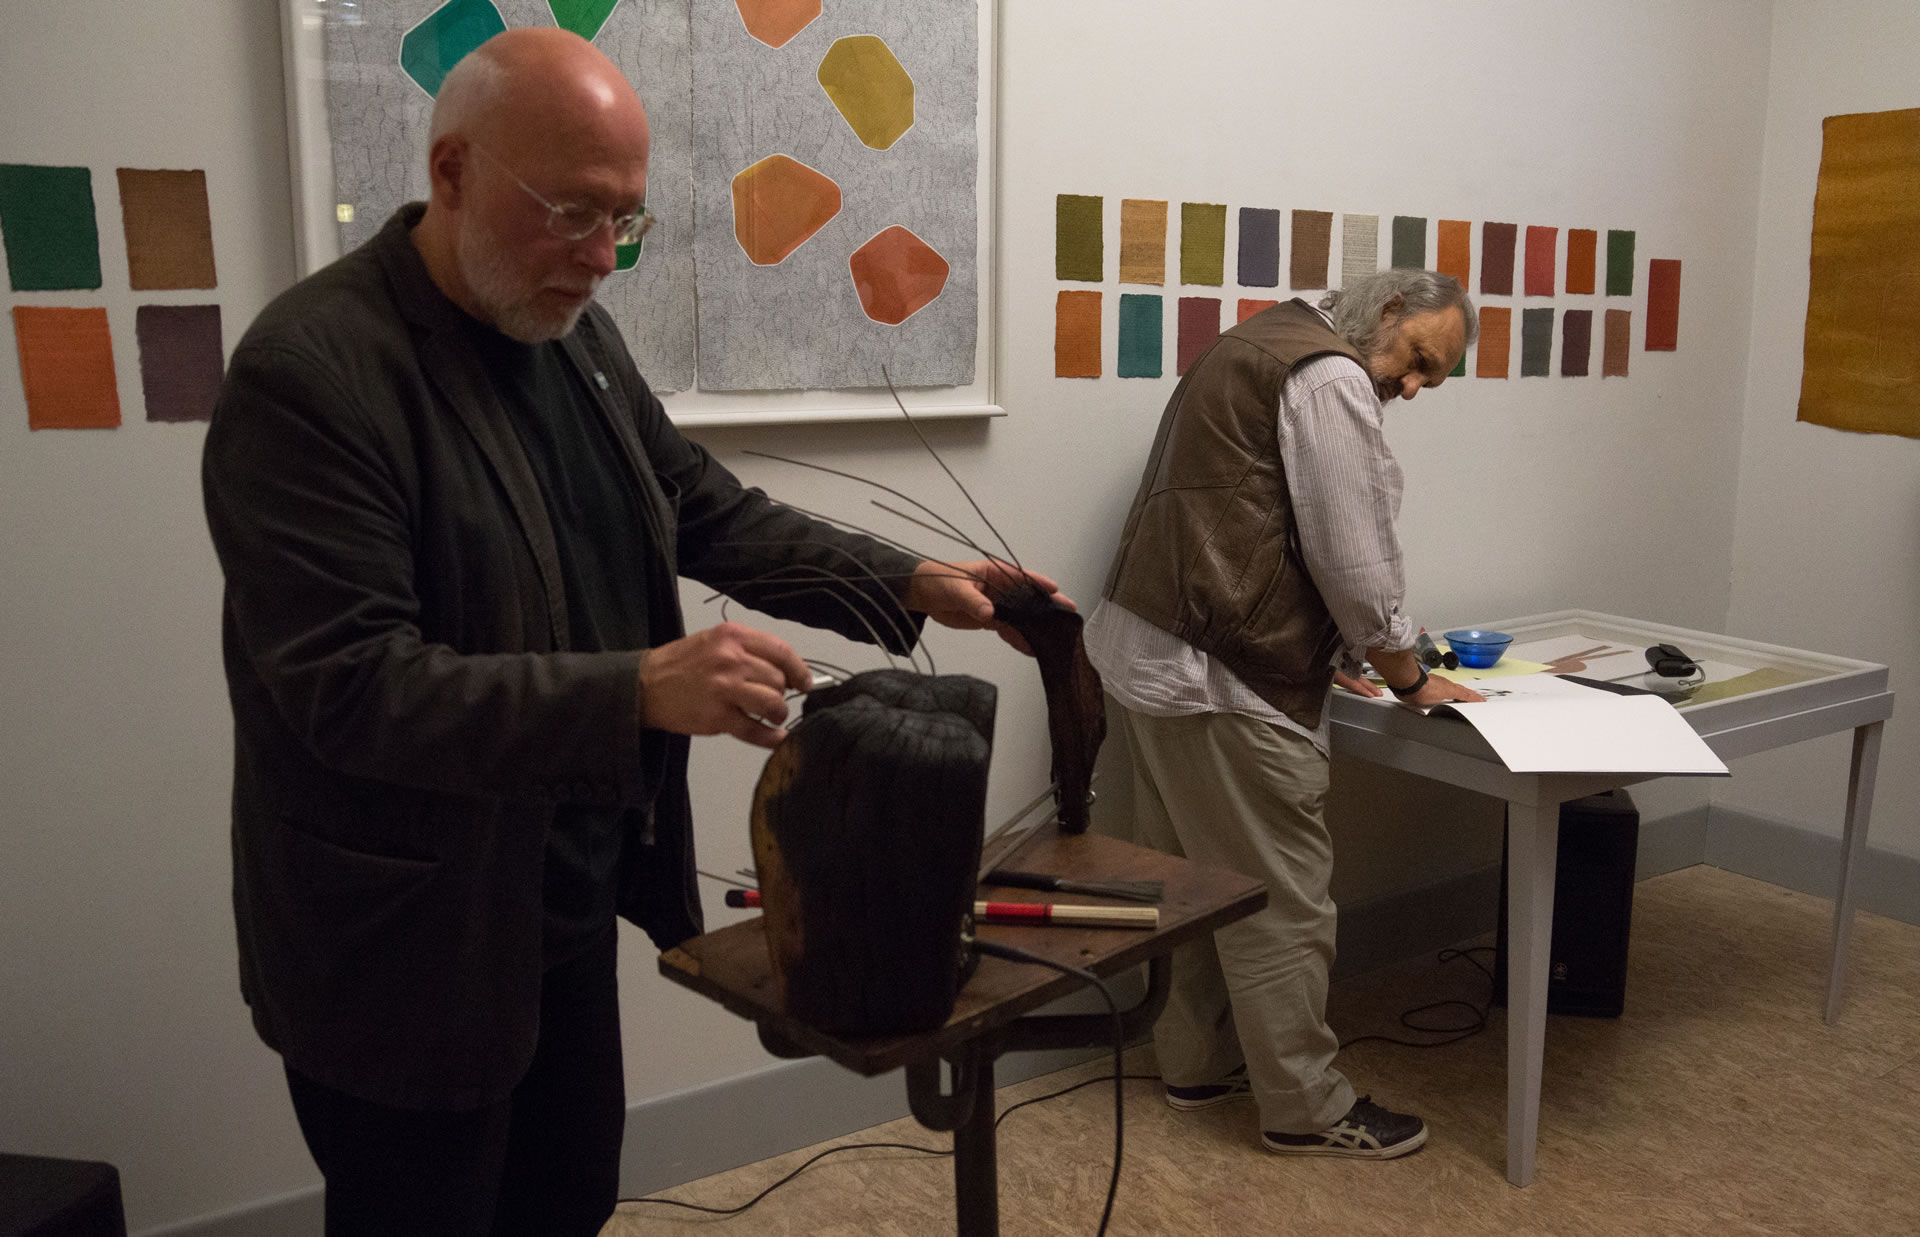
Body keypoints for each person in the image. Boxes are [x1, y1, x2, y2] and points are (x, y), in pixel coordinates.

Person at [201, 28, 1056, 1237]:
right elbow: (351, 685)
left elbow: (703, 508)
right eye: (571, 212)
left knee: (565, 1201)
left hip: (560, 898)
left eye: (625, 220)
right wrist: (637, 691)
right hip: (409, 945)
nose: (602, 257)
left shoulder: (570, 335)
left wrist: (911, 581)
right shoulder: (312, 373)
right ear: (451, 171)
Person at [1083, 269, 1485, 1160]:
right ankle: (1306, 1106)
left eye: (1431, 378)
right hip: (1224, 675)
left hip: (1149, 651)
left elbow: (1247, 513)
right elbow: (1354, 557)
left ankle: (1193, 1064)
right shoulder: (1330, 374)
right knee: (1282, 905)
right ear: (1389, 309)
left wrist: (1338, 651)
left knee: (1186, 887)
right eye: (1419, 359)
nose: (1412, 386)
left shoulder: (1257, 338)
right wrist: (1407, 674)